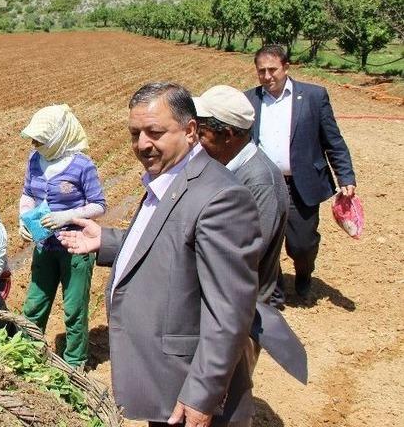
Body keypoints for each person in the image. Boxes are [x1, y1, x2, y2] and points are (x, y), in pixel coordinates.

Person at [59, 82, 263, 427]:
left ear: (190, 130)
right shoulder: (168, 177)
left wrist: (202, 393)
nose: (142, 144)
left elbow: (229, 311)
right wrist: (107, 241)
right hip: (164, 380)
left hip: (189, 387)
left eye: (154, 132)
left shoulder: (220, 198)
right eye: (135, 133)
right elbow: (168, 244)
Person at [195, 85, 307, 384]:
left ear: (228, 134)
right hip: (218, 304)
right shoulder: (227, 168)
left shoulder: (259, 183)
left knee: (225, 395)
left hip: (238, 315)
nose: (196, 140)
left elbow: (243, 257)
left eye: (202, 133)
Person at [245, 45, 356, 299]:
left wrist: (345, 176)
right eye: (261, 71)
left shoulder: (314, 97)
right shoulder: (249, 100)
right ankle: (275, 289)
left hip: (300, 184)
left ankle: (304, 272)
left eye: (272, 69)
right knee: (263, 240)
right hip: (262, 185)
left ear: (286, 67)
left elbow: (333, 141)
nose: (267, 76)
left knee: (302, 244)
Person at [18, 103, 106, 368]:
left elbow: (99, 205)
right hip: (44, 244)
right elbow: (28, 194)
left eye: (41, 139)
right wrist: (23, 217)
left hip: (75, 247)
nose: (35, 143)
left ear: (58, 138)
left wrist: (67, 217)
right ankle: (26, 353)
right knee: (34, 303)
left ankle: (75, 361)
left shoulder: (82, 166)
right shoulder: (35, 160)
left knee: (74, 308)